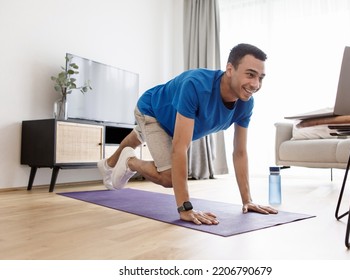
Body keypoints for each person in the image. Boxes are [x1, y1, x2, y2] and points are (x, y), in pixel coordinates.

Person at [98, 43, 278, 225]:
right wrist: (185, 207)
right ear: (230, 69)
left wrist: (247, 200)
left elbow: (240, 152)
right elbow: (179, 148)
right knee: (169, 177)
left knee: (140, 134)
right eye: (250, 74)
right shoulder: (196, 85)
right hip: (152, 110)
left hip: (173, 121)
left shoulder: (245, 103)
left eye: (260, 77)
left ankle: (107, 165)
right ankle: (130, 161)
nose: (255, 84)